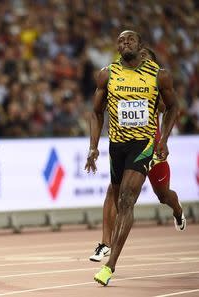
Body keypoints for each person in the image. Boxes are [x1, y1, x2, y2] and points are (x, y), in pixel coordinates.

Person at [84, 31, 179, 286]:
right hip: (117, 145)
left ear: (140, 45)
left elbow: (173, 107)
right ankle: (107, 245)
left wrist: (163, 139)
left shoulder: (159, 75)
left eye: (130, 40)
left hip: (145, 144)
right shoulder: (107, 74)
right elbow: (95, 112)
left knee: (128, 199)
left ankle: (109, 265)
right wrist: (93, 147)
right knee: (116, 196)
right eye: (121, 41)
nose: (125, 44)